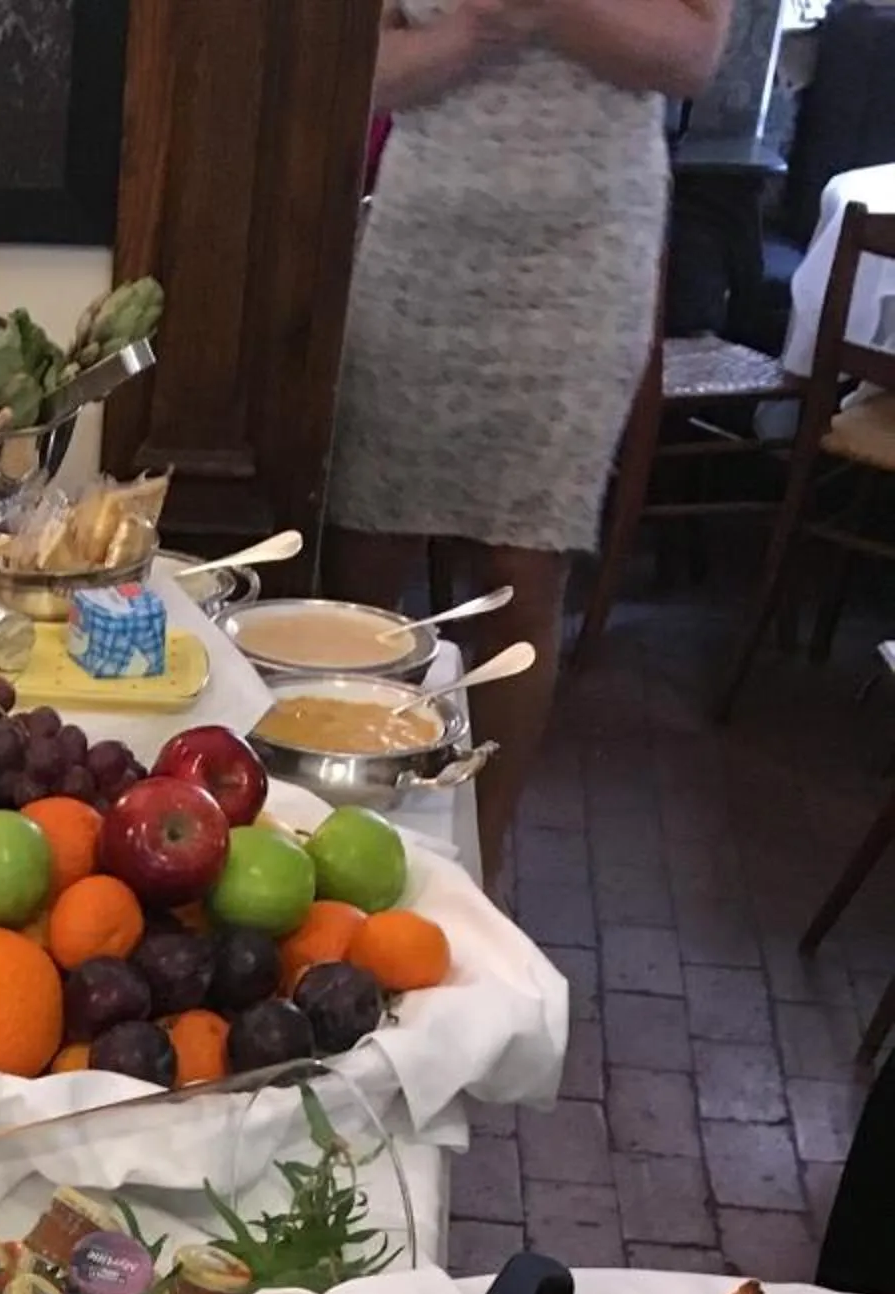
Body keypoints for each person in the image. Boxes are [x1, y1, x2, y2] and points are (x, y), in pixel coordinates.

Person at [325, 0, 735, 881]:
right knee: (364, 558)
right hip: (422, 233)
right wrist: (465, 35)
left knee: (525, 573)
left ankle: (478, 861)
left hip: (584, 255)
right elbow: (355, 69)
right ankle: (346, 830)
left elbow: (694, 56)